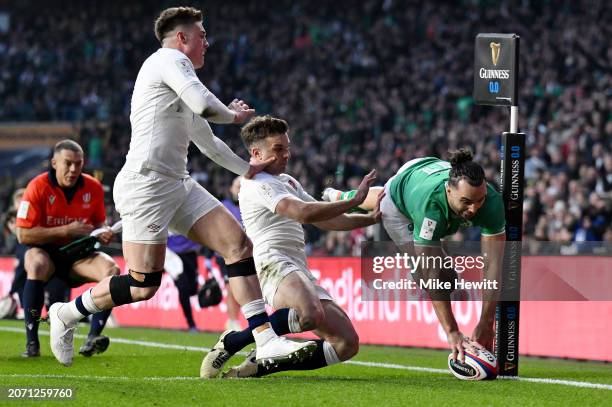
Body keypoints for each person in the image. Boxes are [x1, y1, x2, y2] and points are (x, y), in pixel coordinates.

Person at [47, 6, 315, 367]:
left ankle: (264, 339)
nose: (207, 42)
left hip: (177, 183)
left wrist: (250, 170)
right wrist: (234, 116)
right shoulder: (168, 61)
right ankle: (68, 312)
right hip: (145, 185)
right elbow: (206, 107)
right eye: (202, 35)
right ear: (182, 37)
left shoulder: (178, 80)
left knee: (237, 244)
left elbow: (208, 143)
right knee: (143, 285)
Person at [201, 115, 381, 378]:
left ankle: (260, 365)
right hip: (271, 261)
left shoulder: (286, 181)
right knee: (308, 314)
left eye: (287, 147)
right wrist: (355, 199)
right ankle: (234, 342)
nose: (286, 154)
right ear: (256, 152)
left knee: (346, 344)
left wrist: (369, 218)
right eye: (278, 149)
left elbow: (326, 218)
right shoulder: (256, 183)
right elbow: (303, 213)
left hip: (297, 265)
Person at [323, 148, 506, 361]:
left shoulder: (491, 203)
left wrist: (487, 322)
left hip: (420, 172)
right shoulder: (430, 209)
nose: (474, 209)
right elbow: (433, 275)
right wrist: (452, 332)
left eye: (479, 200)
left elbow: (493, 266)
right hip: (402, 204)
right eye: (466, 201)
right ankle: (412, 268)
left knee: (386, 192)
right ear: (449, 191)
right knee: (444, 276)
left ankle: (339, 195)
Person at [15, 140, 118, 359]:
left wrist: (104, 232)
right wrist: (66, 230)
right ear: (54, 162)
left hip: (77, 258)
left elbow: (98, 225)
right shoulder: (37, 186)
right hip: (47, 256)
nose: (73, 169)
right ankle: (32, 342)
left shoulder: (94, 187)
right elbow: (22, 234)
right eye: (68, 163)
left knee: (112, 270)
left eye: (78, 164)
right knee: (35, 262)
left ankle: (93, 338)